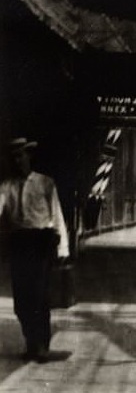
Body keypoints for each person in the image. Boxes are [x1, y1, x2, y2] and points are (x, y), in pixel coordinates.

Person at [0, 138, 70, 363]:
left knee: (39, 294)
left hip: (41, 241)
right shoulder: (6, 186)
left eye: (22, 155)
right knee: (21, 299)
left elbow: (56, 215)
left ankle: (40, 345)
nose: (18, 160)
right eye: (14, 157)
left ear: (29, 156)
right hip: (19, 242)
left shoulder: (45, 183)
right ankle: (31, 342)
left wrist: (63, 248)